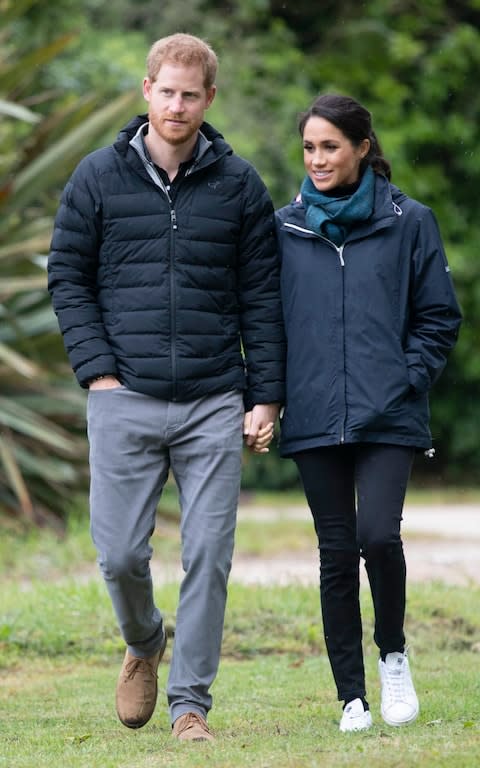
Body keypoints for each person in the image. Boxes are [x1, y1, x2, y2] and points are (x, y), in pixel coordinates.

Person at [48, 33, 285, 742]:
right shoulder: (96, 177)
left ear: (209, 99)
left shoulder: (240, 186)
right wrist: (100, 372)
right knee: (119, 554)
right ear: (145, 91)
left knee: (209, 553)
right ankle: (145, 640)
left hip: (214, 394)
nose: (177, 105)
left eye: (191, 94)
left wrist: (263, 396)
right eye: (166, 90)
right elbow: (67, 278)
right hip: (124, 393)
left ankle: (190, 707)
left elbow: (263, 299)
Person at [275, 94, 462, 732]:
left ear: (361, 146)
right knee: (334, 553)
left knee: (377, 536)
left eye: (330, 146)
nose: (318, 159)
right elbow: (268, 324)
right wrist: (271, 396)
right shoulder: (286, 228)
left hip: (390, 411)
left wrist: (406, 378)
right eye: (309, 148)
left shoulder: (413, 221)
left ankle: (394, 655)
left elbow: (440, 316)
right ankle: (350, 696)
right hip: (313, 413)